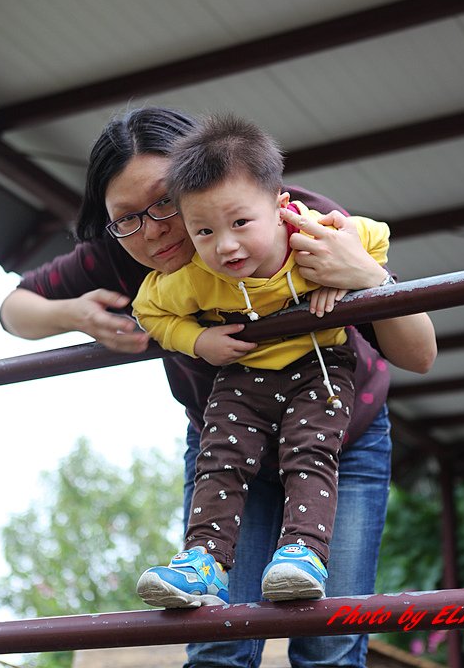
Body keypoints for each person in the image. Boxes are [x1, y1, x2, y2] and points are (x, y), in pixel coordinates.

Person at [0, 107, 436, 668]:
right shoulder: (126, 251)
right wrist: (74, 316)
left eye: (164, 202)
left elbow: (420, 355)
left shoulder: (293, 222)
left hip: (339, 438)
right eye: (126, 216)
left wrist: (369, 277)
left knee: (328, 637)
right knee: (218, 633)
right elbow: (14, 310)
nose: (153, 228)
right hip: (227, 445)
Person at [132, 113, 390, 607]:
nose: (225, 245)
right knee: (219, 458)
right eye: (203, 231)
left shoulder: (309, 235)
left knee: (310, 452)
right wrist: (197, 341)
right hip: (244, 376)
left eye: (240, 223)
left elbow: (374, 237)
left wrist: (346, 271)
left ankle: (302, 552)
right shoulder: (195, 276)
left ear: (280, 207)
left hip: (319, 368)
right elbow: (149, 309)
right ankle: (204, 560)